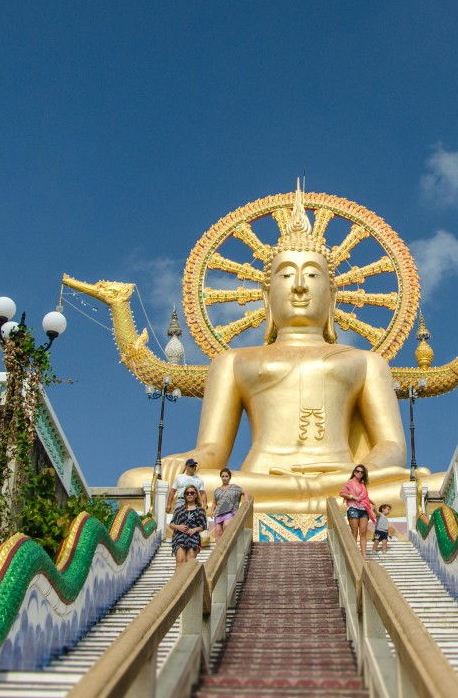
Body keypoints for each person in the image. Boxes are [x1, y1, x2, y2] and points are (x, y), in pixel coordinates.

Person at [123, 183, 408, 512]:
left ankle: (319, 494)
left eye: (312, 276)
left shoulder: (367, 362)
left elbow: (391, 446)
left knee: (428, 484)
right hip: (260, 479)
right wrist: (189, 463)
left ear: (333, 296)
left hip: (341, 479)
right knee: (136, 481)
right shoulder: (233, 362)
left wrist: (356, 477)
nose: (300, 287)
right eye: (286, 276)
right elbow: (214, 449)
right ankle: (313, 497)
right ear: (265, 296)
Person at [339, 464, 374, 558]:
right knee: (354, 531)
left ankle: (364, 554)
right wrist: (353, 497)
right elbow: (342, 493)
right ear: (354, 472)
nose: (359, 473)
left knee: (363, 532)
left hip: (363, 509)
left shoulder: (363, 485)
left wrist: (372, 503)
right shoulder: (350, 482)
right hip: (353, 507)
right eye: (357, 471)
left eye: (362, 472)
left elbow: (365, 497)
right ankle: (354, 554)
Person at [171, 486, 207, 565]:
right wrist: (178, 527)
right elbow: (172, 524)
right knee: (180, 560)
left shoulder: (200, 510)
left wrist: (194, 530)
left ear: (196, 495)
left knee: (190, 562)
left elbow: (203, 526)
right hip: (179, 537)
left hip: (193, 538)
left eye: (192, 493)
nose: (189, 495)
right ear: (185, 496)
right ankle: (179, 578)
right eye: (187, 493)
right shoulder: (179, 509)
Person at [210, 468, 247, 542]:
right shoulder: (217, 490)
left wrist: (246, 499)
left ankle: (227, 548)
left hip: (230, 511)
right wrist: (212, 511)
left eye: (226, 476)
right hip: (219, 513)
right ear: (220, 477)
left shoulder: (235, 487)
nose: (224, 478)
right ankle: (218, 552)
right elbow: (214, 503)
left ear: (229, 477)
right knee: (218, 532)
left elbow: (244, 491)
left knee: (226, 526)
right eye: (223, 476)